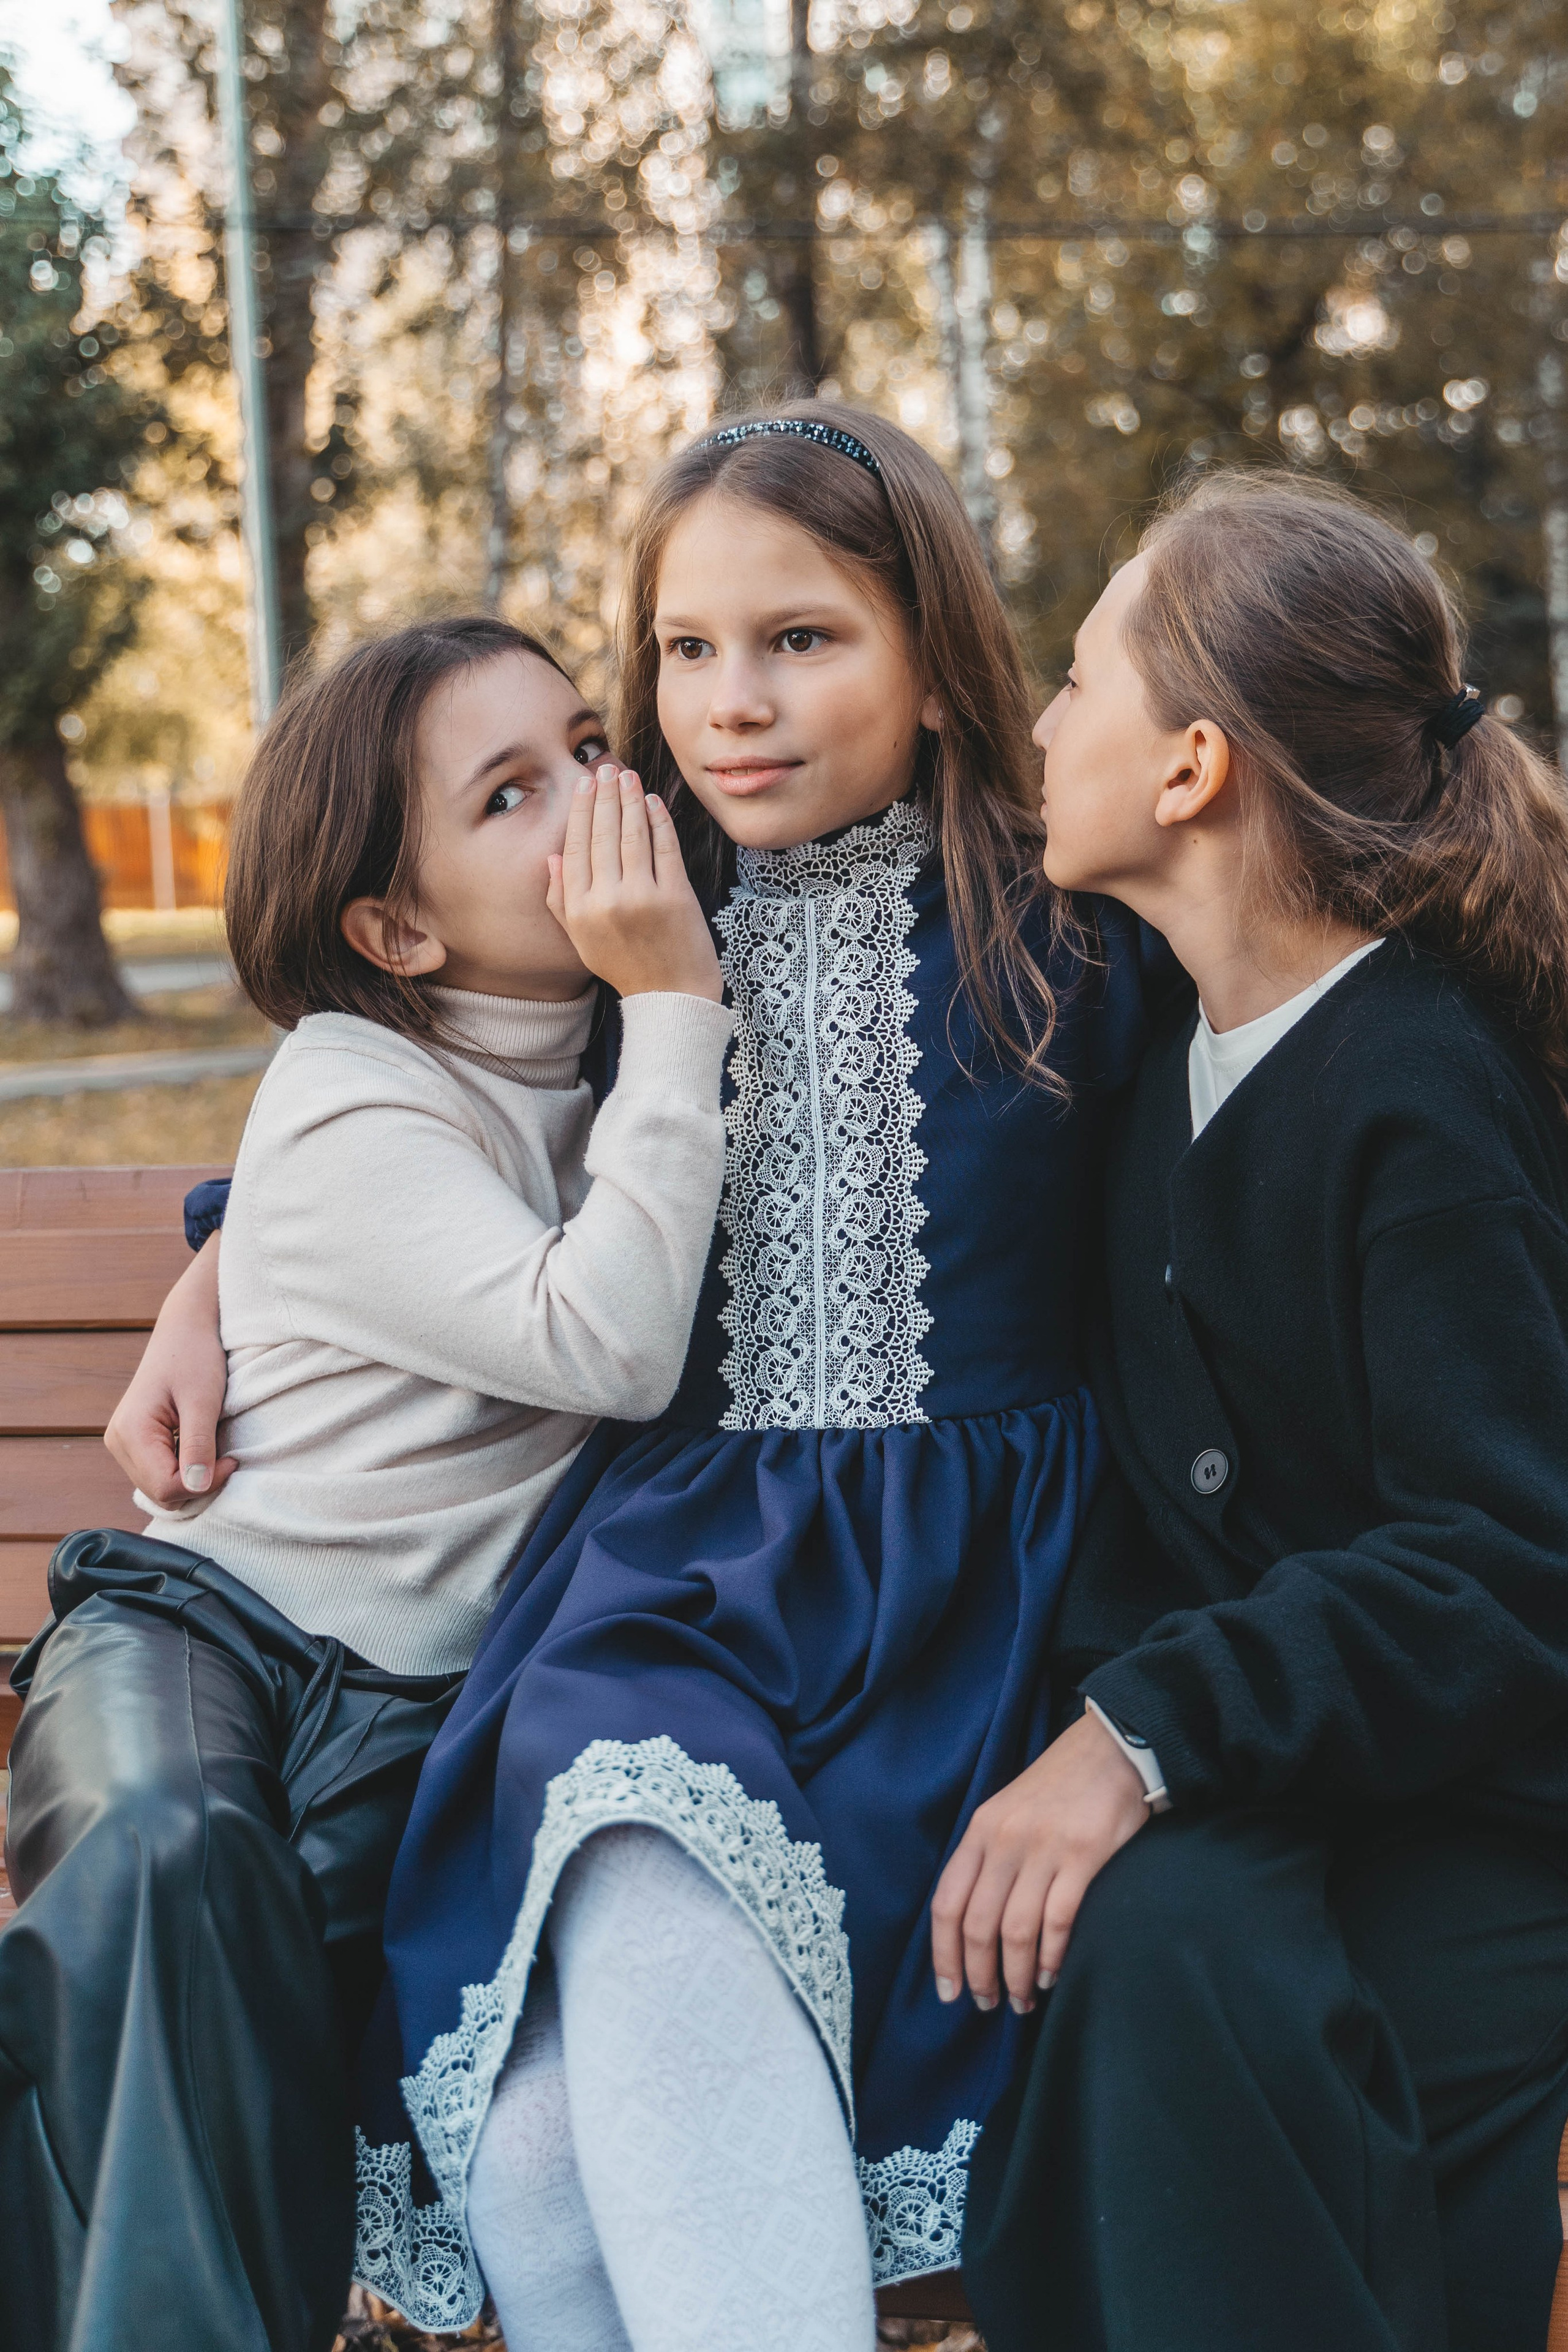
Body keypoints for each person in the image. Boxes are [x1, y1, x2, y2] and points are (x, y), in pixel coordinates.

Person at [340, 406, 1161, 2348]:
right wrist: (223, 1257)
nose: (733, 704)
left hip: (972, 1618)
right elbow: (408, 1091)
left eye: (802, 639)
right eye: (687, 650)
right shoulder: (624, 906)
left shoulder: (1070, 936)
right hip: (679, 1587)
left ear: (936, 661)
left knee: (555, 2133)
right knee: (624, 1833)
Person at [0, 615, 734, 2352]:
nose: (596, 797)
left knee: (227, 1993)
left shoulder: (628, 1051)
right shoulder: (358, 1084)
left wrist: (666, 1015)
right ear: (399, 929)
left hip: (423, 1717)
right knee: (170, 1865)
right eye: (511, 794)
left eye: (586, 745)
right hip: (205, 1645)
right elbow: (605, 1339)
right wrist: (676, 1002)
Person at [945, 472, 1568, 2352]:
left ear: (1193, 767)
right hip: (1282, 1771)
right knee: (1134, 1951)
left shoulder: (1421, 1091)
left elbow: (1508, 1560)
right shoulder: (1160, 1045)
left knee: (1184, 1982)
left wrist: (1137, 1736)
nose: (1042, 723)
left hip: (1483, 1803)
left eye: (1078, 678)